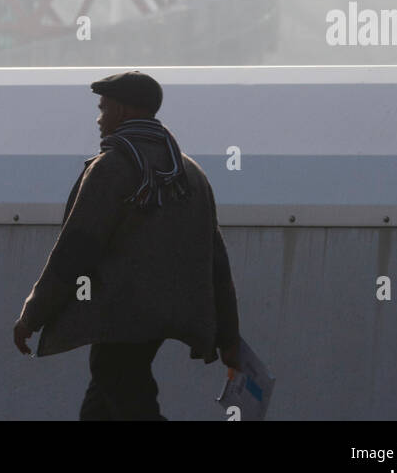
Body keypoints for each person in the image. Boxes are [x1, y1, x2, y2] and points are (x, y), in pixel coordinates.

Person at [13, 70, 240, 420]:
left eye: (103, 109)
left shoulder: (112, 168)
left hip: (119, 314)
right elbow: (215, 259)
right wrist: (229, 336)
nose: (99, 119)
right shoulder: (189, 173)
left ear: (120, 110)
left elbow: (75, 251)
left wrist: (33, 315)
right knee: (101, 406)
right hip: (168, 310)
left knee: (124, 390)